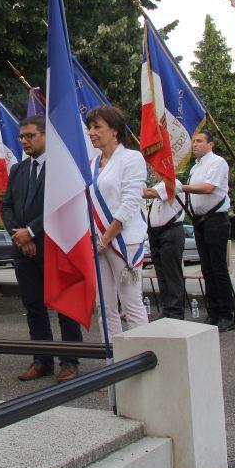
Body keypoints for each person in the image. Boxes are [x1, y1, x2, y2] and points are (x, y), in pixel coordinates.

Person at [1, 116, 83, 383]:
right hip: (23, 250)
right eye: (21, 137)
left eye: (30, 136)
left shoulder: (61, 169)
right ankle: (42, 359)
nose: (24, 141)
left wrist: (32, 232)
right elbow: (7, 207)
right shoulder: (18, 170)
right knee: (33, 306)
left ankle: (70, 361)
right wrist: (21, 237)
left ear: (45, 135)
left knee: (64, 306)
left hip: (53, 247)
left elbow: (60, 207)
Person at [85, 105, 148, 337]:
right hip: (99, 242)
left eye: (97, 127)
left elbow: (130, 202)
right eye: (90, 127)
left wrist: (107, 237)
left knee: (131, 304)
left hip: (123, 241)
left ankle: (142, 357)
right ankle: (112, 359)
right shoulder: (91, 165)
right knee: (105, 307)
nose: (91, 132)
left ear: (114, 131)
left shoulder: (131, 158)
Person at [181, 131, 235, 332]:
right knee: (207, 268)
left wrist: (182, 188)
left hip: (215, 220)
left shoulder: (217, 162)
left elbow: (208, 188)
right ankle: (213, 312)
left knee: (218, 268)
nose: (194, 144)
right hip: (200, 221)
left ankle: (226, 314)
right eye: (193, 141)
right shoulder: (196, 167)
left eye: (199, 141)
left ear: (210, 144)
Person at [142, 172, 186, 320]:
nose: (154, 171)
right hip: (157, 234)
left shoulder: (174, 183)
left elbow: (149, 193)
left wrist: (129, 186)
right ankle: (167, 310)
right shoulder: (159, 185)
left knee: (172, 274)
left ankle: (176, 312)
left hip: (171, 231)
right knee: (162, 275)